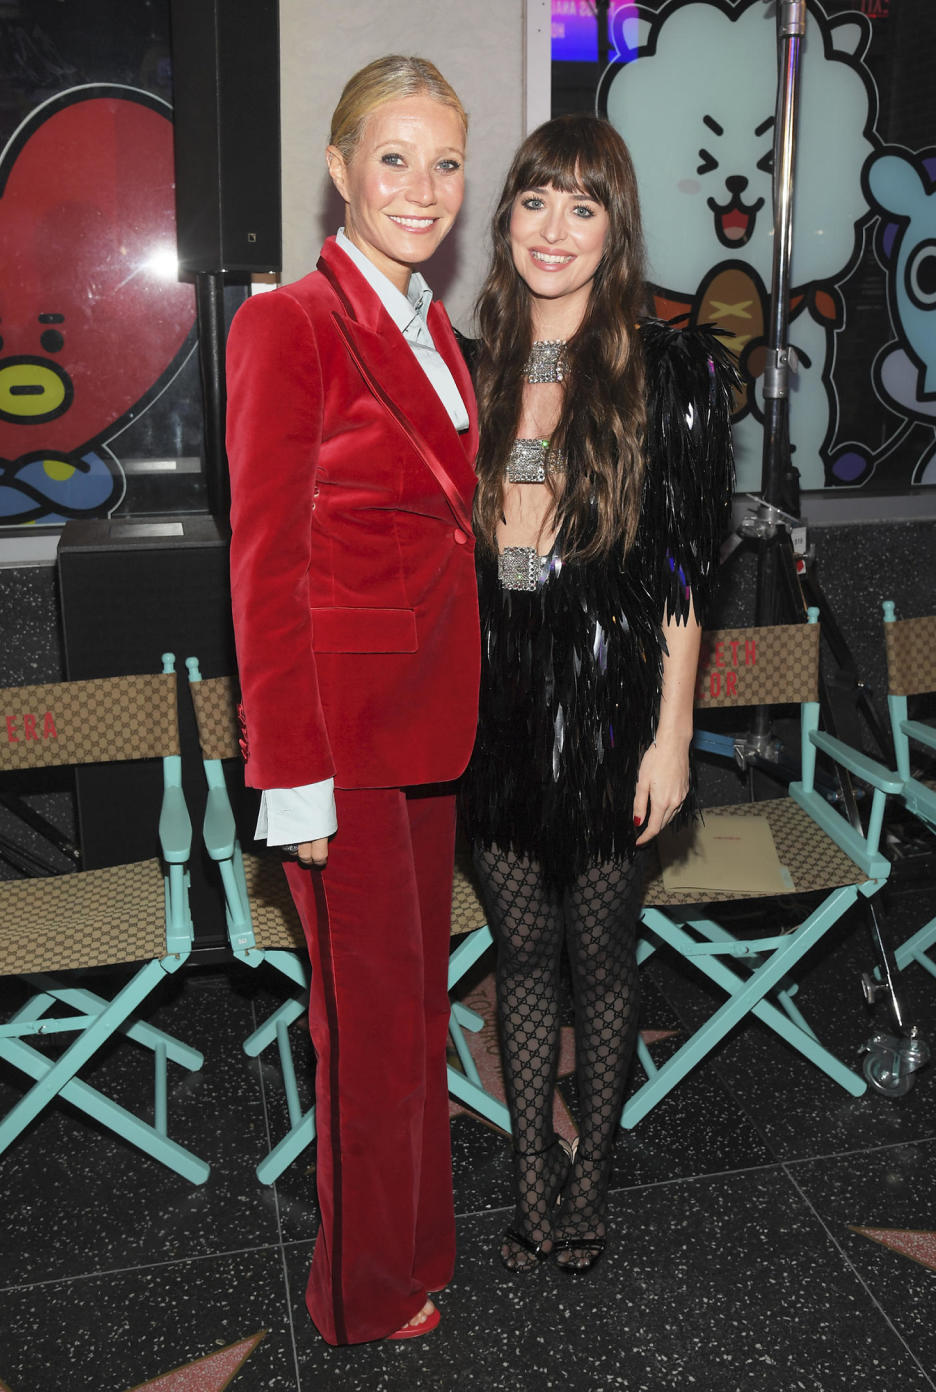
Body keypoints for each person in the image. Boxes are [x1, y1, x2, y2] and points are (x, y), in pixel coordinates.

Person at [225, 56, 479, 1344]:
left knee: (415, 1009)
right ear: (339, 168)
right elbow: (264, 564)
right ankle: (361, 1295)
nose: (423, 188)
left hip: (428, 723)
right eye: (395, 158)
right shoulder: (289, 325)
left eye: (445, 162)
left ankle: (418, 1246)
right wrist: (290, 773)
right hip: (340, 741)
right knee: (368, 1030)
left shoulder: (432, 324)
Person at [459, 115, 737, 1275]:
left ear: (614, 228)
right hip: (495, 697)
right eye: (535, 201)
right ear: (507, 216)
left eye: (583, 206)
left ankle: (594, 1175)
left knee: (601, 954)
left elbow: (680, 574)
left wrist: (672, 737)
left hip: (613, 695)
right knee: (521, 954)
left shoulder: (669, 368)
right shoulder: (467, 357)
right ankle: (530, 1176)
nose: (554, 229)